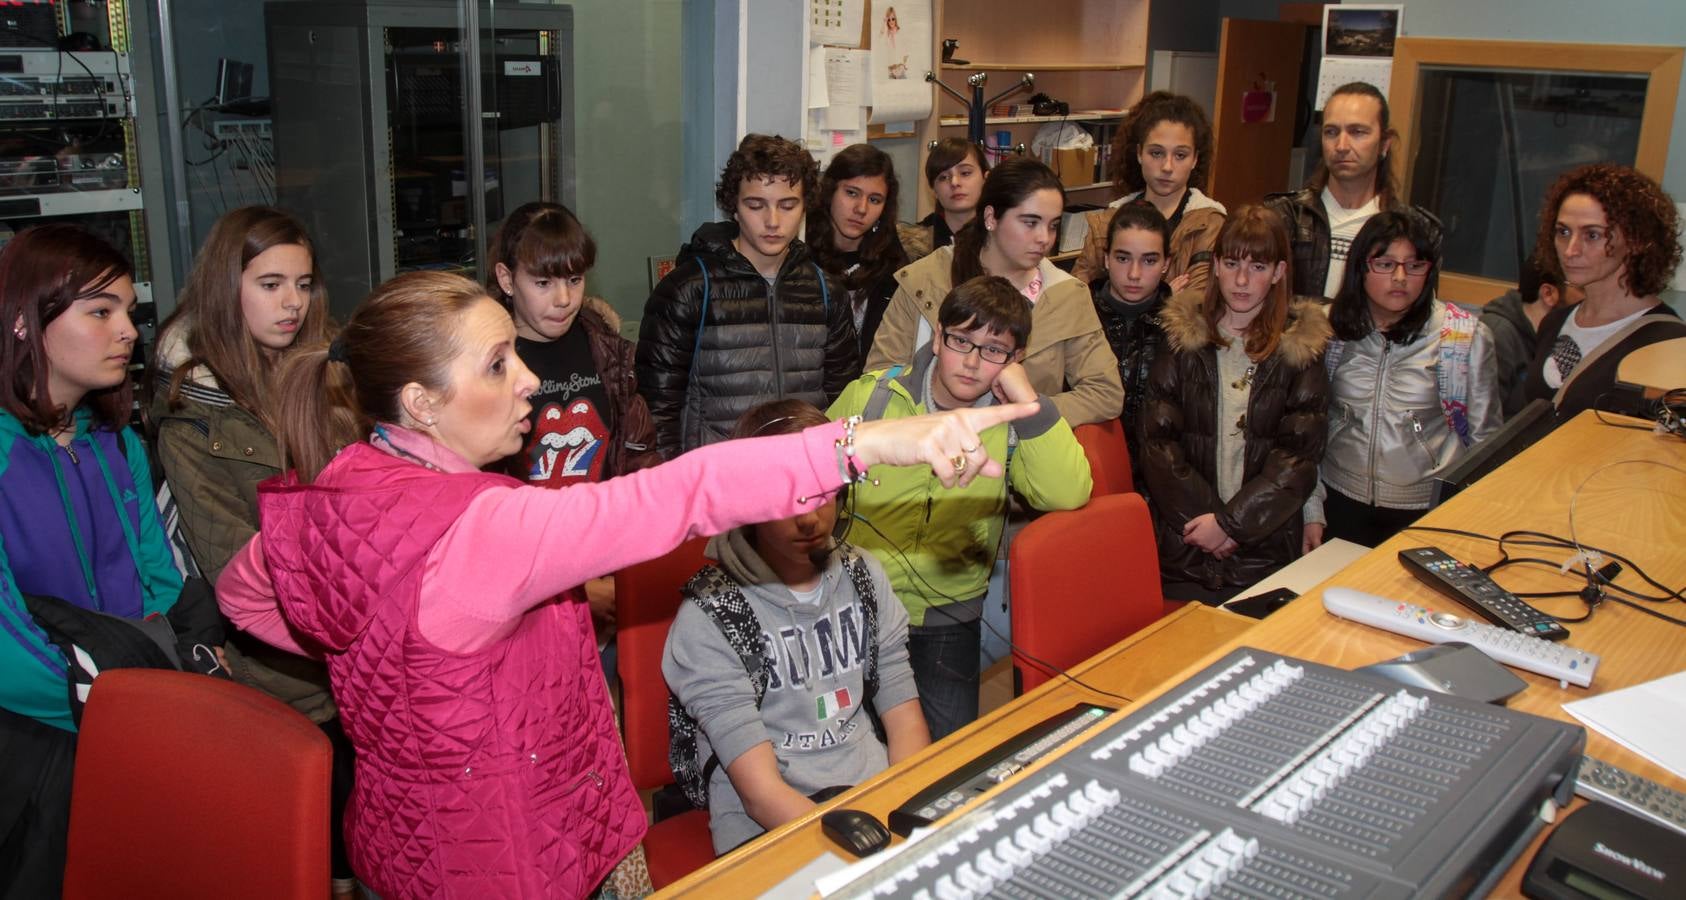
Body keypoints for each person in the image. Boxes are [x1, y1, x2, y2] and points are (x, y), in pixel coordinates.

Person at [215, 270, 1036, 898]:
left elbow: (243, 595)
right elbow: (679, 494)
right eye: (498, 366)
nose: (529, 379)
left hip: (404, 848)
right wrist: (866, 445)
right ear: (422, 403)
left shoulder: (338, 493)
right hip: (519, 858)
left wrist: (399, 659)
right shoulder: (485, 531)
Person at [148, 206, 364, 898]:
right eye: (270, 284)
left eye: (302, 284)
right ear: (226, 288)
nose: (292, 303)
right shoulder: (191, 418)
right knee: (307, 858)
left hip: (359, 661)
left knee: (370, 850)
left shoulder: (329, 375)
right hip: (280, 675)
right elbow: (234, 565)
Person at [1, 225, 190, 896]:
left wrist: (174, 671)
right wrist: (113, 707)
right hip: (41, 738)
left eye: (128, 312)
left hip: (131, 712)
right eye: (100, 311)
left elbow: (159, 581)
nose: (129, 331)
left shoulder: (117, 444)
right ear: (25, 322)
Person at [664, 400, 929, 854]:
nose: (810, 517)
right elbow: (761, 795)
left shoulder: (863, 576)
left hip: (872, 797)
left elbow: (904, 717)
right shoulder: (710, 617)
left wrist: (903, 808)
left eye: (823, 491)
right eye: (788, 496)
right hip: (768, 828)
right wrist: (860, 849)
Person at [833, 275, 1091, 739]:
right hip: (855, 606)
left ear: (1016, 360)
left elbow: (1066, 493)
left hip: (946, 616)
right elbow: (810, 477)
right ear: (938, 337)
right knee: (853, 749)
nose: (972, 362)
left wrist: (1030, 405)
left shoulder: (1010, 421)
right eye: (961, 341)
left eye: (994, 350)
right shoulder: (873, 397)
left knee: (948, 752)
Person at [1140, 205, 1331, 605]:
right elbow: (1158, 444)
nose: (1242, 280)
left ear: (1278, 272)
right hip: (1187, 543)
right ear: (1215, 265)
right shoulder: (1181, 339)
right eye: (1231, 264)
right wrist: (1210, 527)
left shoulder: (1300, 351)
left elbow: (1297, 458)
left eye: (1258, 267)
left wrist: (1232, 525)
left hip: (1264, 549)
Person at [636, 133, 858, 459]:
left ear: (804, 208)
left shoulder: (826, 293)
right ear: (735, 209)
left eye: (787, 205)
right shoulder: (689, 291)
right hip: (716, 478)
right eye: (756, 205)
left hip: (803, 474)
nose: (773, 221)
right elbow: (656, 412)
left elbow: (844, 404)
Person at [867, 156, 1124, 428]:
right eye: (1030, 222)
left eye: (1053, 225)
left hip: (1020, 450)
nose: (1045, 239)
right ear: (991, 218)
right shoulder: (926, 279)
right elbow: (878, 377)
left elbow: (1105, 392)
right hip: (927, 441)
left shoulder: (1066, 295)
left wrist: (1023, 413)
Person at [1302, 211, 1501, 550]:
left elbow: (1486, 444)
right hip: (1338, 500)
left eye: (1414, 265)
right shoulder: (1324, 329)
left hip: (1426, 509)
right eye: (1385, 264)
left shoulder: (1463, 336)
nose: (1399, 277)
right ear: (1360, 268)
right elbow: (1304, 432)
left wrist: (1470, 520)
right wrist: (1310, 508)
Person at [490, 201, 660, 487]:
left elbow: (638, 454)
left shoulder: (607, 349)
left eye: (574, 279)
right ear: (507, 279)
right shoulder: (486, 365)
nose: (564, 299)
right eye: (543, 283)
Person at [1523, 163, 1686, 418]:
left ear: (1635, 240)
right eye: (1563, 232)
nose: (1570, 250)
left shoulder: (1669, 342)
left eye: (1592, 235)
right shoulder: (1554, 322)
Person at [1264, 81, 1442, 300]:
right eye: (1331, 132)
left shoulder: (1417, 229)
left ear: (1384, 143)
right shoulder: (1283, 215)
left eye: (1357, 132)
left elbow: (1419, 312)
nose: (1341, 146)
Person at [1071, 91, 1226, 294]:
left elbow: (1196, 302)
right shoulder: (1107, 221)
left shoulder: (1209, 223)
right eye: (1156, 153)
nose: (1167, 166)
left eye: (1180, 155)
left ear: (1195, 159)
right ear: (1139, 153)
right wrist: (1164, 296)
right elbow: (1076, 296)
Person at [1090, 202, 1174, 497]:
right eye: (1123, 258)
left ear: (1166, 264)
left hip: (1159, 486)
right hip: (1084, 476)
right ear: (1106, 258)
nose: (1134, 274)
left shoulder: (1183, 331)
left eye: (1149, 260)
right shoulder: (1076, 318)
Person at [807, 144, 911, 361]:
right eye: (852, 193)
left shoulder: (894, 268)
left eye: (874, 200)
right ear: (830, 192)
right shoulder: (800, 255)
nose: (861, 209)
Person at [1482, 256, 1574, 419]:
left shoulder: (1555, 335)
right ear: (1548, 293)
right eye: (1582, 289)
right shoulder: (1497, 334)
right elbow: (1484, 419)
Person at [899, 137, 989, 261]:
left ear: (986, 179)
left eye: (965, 173)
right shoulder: (913, 246)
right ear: (934, 190)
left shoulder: (1002, 236)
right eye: (943, 177)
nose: (954, 182)